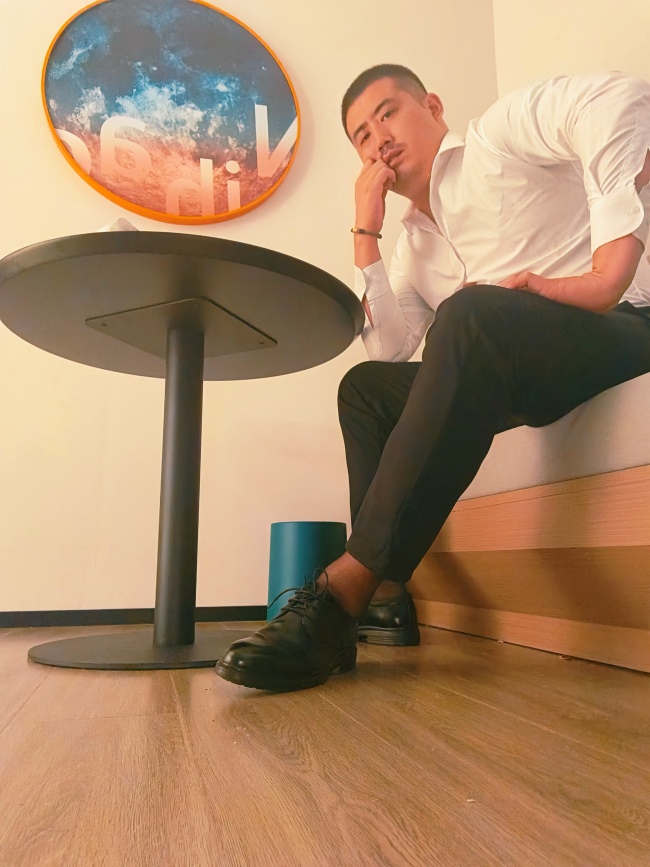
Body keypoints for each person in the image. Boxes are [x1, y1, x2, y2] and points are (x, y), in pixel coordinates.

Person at [215, 65, 650, 692]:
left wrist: (606, 271)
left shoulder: (496, 140)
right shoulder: (413, 247)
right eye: (362, 137)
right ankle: (387, 592)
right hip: (516, 372)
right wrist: (366, 233)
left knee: (468, 314)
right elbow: (390, 350)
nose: (379, 141)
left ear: (434, 108)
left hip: (619, 327)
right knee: (365, 389)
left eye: (387, 113)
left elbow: (616, 95)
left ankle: (341, 592)